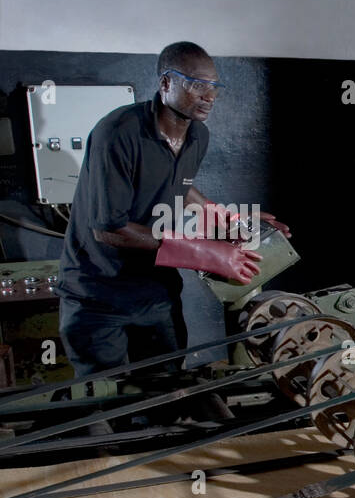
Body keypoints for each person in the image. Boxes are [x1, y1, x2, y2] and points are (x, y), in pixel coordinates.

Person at [55, 41, 290, 378]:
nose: (209, 95)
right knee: (103, 404)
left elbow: (177, 183)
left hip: (154, 291)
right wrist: (203, 253)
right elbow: (109, 228)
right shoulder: (118, 133)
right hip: (97, 294)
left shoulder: (198, 136)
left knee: (165, 391)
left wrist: (225, 218)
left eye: (214, 86)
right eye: (197, 85)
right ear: (166, 83)